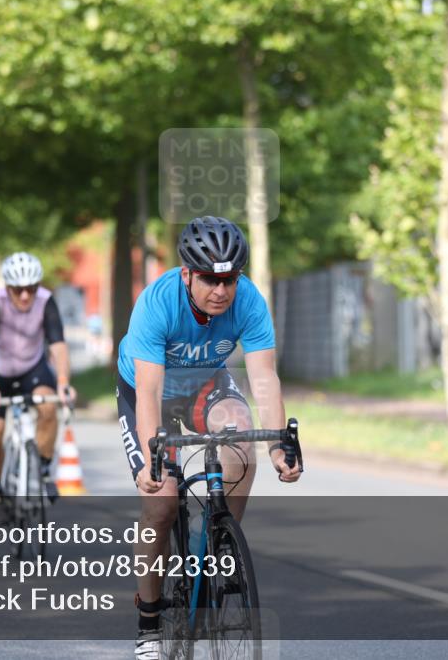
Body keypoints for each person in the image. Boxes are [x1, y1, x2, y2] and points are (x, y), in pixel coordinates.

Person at [116, 216, 301, 659]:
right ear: (187, 275)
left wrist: (279, 445)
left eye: (230, 280)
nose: (221, 291)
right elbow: (148, 392)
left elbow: (264, 379)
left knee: (242, 441)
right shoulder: (157, 303)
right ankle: (148, 622)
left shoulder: (249, 302)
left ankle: (218, 541)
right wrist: (152, 457)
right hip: (149, 391)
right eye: (209, 280)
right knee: (161, 501)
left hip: (203, 385)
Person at [0, 252, 77, 525]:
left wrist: (64, 383)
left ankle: (43, 471)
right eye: (18, 290)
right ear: (7, 288)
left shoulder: (45, 301)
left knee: (48, 406)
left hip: (32, 369)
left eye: (30, 289)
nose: (24, 296)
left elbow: (58, 346)